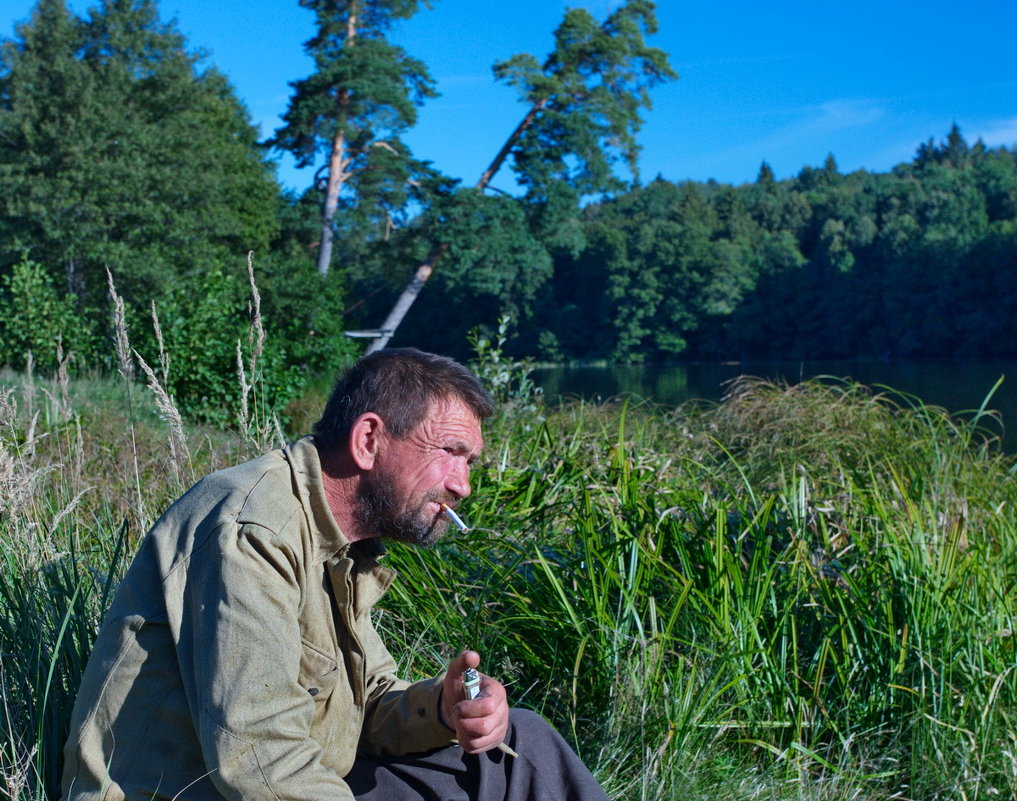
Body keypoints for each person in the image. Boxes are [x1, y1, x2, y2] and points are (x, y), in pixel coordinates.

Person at [60, 348, 609, 801]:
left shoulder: (341, 544)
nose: (463, 484)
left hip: (297, 778)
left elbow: (367, 706)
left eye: (470, 462)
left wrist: (441, 709)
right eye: (451, 452)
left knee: (523, 740)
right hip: (189, 792)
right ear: (369, 440)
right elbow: (258, 757)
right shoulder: (254, 529)